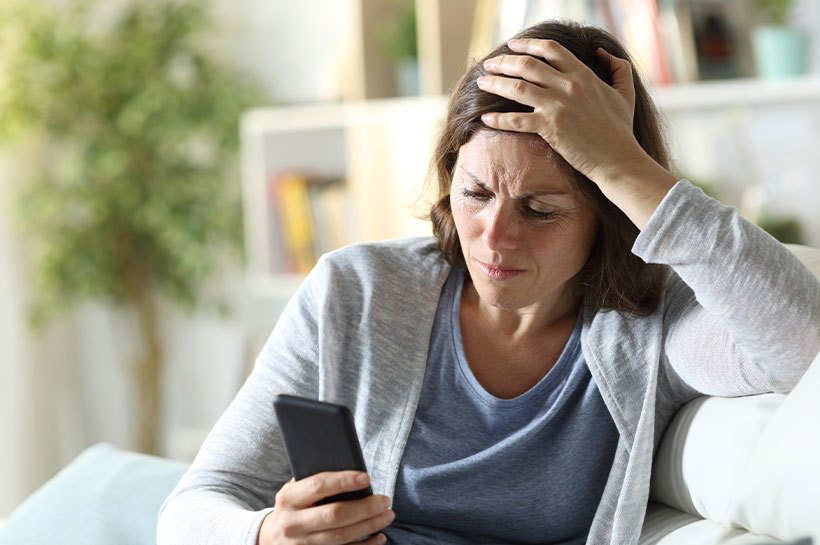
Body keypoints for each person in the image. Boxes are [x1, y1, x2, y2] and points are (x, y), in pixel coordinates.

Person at [157, 20, 820, 545]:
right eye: (475, 193)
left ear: (609, 211)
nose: (494, 237)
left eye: (540, 208)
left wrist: (625, 164)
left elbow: (802, 345)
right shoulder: (354, 292)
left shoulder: (653, 324)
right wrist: (266, 532)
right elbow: (192, 506)